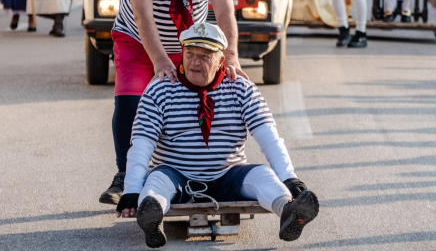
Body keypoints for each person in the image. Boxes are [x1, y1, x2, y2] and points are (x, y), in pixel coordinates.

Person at [116, 23, 319, 247]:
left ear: (221, 60)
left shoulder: (241, 88)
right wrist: (132, 190)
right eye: (190, 53)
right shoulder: (160, 89)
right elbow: (142, 143)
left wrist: (289, 178)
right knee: (155, 181)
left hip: (228, 174)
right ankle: (151, 217)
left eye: (205, 56)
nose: (194, 62)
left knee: (263, 175)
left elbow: (268, 137)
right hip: (176, 174)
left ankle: (288, 211)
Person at [100, 0, 241, 207]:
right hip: (137, 39)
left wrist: (230, 54)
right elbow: (143, 17)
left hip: (187, 44)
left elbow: (225, 10)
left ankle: (188, 172)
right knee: (132, 100)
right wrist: (160, 62)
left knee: (191, 105)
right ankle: (124, 175)